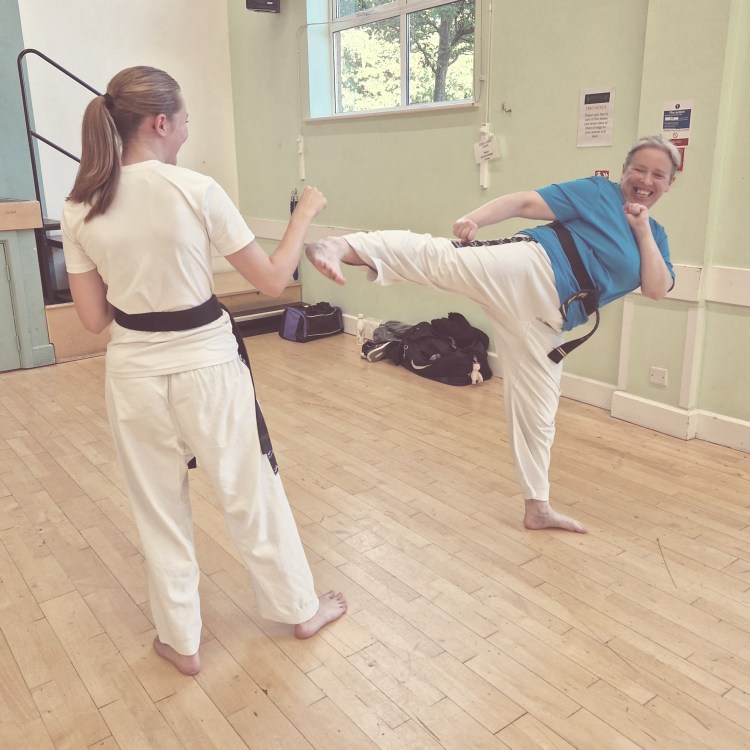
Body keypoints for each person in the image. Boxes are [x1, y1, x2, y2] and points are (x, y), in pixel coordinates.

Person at [61, 66, 346, 676]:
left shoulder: (80, 206)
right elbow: (274, 280)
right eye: (186, 120)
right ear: (161, 123)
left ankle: (181, 641)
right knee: (249, 490)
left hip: (133, 373)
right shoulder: (196, 189)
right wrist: (304, 214)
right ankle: (300, 610)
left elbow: (92, 318)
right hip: (208, 368)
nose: (188, 130)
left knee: (158, 509)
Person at [306, 135, 679, 534]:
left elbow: (656, 287)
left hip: (548, 321)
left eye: (658, 175)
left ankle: (537, 508)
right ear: (624, 171)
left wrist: (641, 229)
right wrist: (476, 219)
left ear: (669, 184)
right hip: (531, 268)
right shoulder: (599, 193)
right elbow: (524, 202)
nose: (646, 180)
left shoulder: (656, 237)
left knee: (539, 411)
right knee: (442, 260)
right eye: (639, 169)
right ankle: (340, 246)